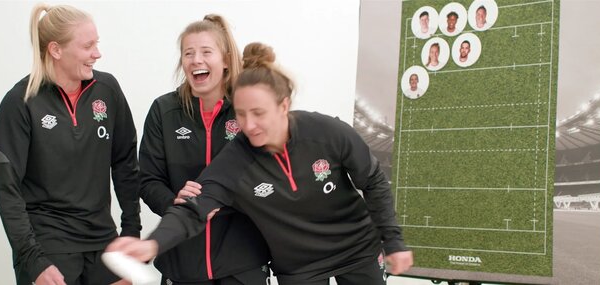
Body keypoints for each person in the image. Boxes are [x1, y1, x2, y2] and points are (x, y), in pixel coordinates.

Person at [108, 42, 414, 285]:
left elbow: (373, 181)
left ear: (283, 106)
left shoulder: (327, 133)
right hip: (299, 267)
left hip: (357, 249)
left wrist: (395, 241)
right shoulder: (237, 159)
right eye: (240, 114)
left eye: (258, 113)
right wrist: (152, 245)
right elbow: (194, 208)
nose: (249, 125)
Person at [0, 4, 140, 285]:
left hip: (103, 242)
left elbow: (125, 164)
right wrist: (33, 261)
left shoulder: (108, 90)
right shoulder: (20, 103)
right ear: (56, 50)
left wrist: (131, 232)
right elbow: (7, 190)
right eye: (88, 46)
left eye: (97, 43)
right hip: (48, 246)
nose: (97, 53)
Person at [138, 14, 270, 285]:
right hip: (182, 262)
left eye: (205, 52)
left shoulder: (247, 108)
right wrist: (173, 201)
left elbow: (269, 177)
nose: (196, 59)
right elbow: (148, 180)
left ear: (225, 60)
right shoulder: (164, 111)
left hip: (242, 263)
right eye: (188, 53)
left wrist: (219, 200)